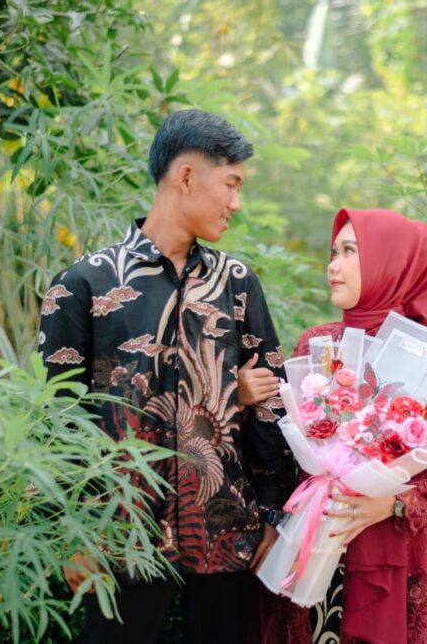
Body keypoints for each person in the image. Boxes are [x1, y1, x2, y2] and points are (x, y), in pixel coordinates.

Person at [38, 109, 295, 644]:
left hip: (226, 528)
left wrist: (274, 513)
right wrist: (71, 531)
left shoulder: (237, 283)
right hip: (119, 532)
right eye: (231, 184)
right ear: (186, 177)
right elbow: (60, 419)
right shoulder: (83, 284)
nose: (236, 203)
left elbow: (273, 403)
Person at [245, 208, 427, 644]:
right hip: (311, 534)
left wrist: (393, 504)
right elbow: (282, 444)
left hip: (389, 547)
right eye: (333, 252)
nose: (332, 265)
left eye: (349, 251)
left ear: (387, 263)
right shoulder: (318, 344)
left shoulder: (423, 359)